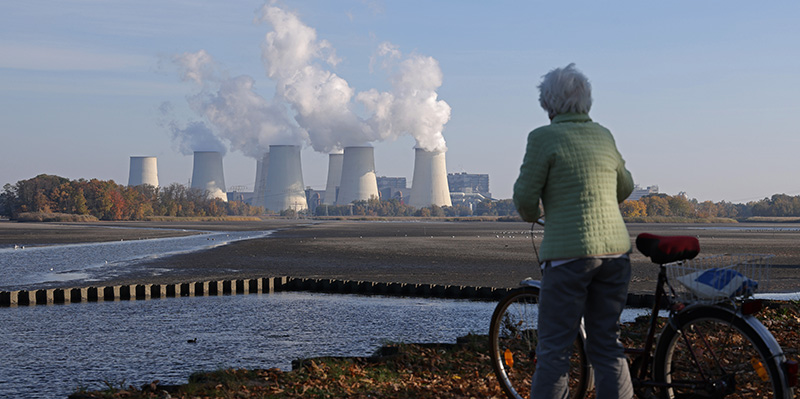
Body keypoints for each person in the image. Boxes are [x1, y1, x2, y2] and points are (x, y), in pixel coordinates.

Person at [513, 63, 635, 399]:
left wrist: (536, 215)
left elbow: (524, 198)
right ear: (587, 101)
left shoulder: (543, 138)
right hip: (615, 252)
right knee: (607, 343)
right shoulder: (603, 135)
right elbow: (625, 186)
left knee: (554, 351)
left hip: (568, 256)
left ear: (547, 104)